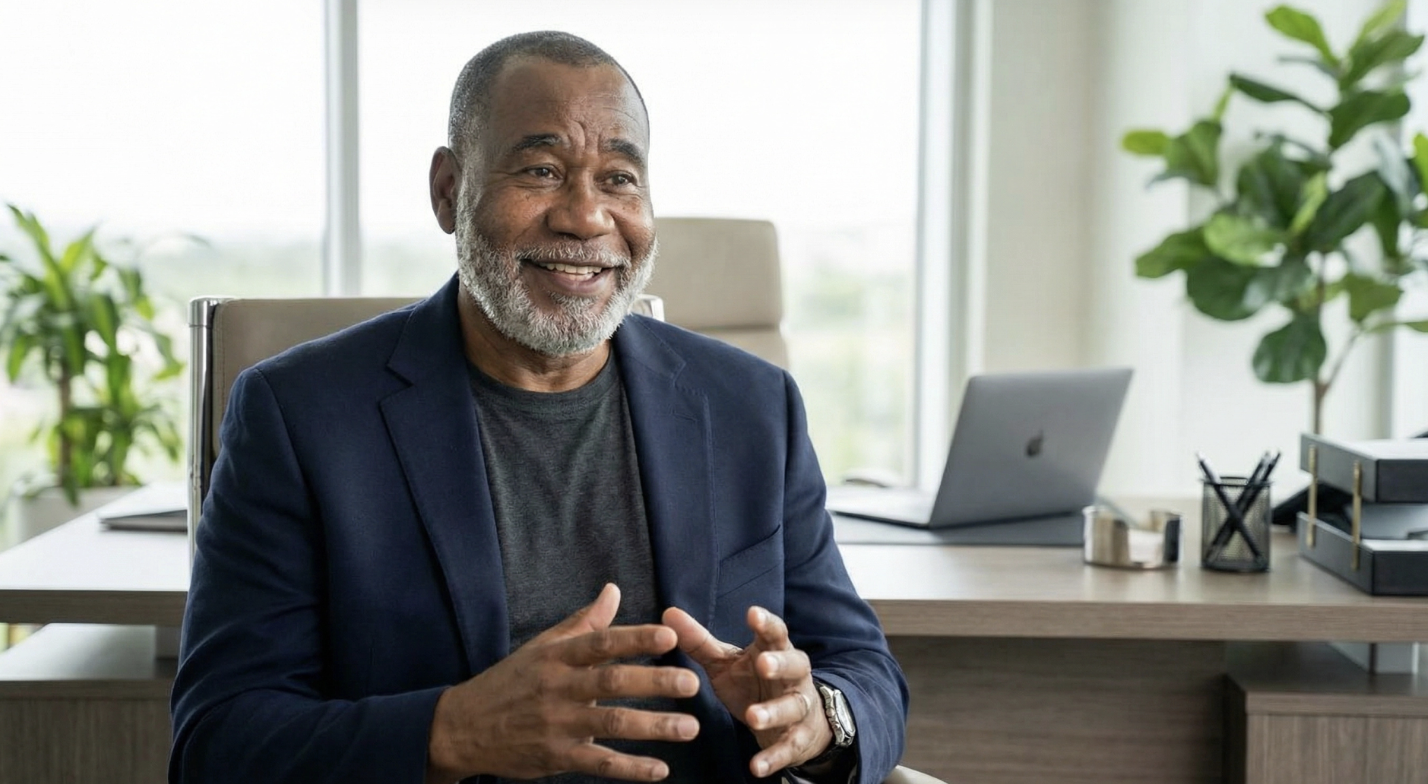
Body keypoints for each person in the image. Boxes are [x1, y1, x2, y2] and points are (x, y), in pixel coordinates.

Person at [169, 31, 907, 784]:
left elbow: (863, 671)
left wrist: (817, 718)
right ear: (449, 191)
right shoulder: (300, 416)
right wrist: (451, 730)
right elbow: (218, 742)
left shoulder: (751, 406)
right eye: (542, 170)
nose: (586, 217)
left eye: (619, 178)